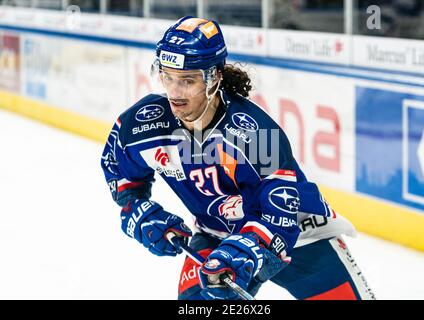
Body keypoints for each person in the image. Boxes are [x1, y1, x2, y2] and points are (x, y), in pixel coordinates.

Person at [100, 16, 375, 300]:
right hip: (216, 236)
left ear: (214, 77)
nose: (174, 92)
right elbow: (120, 174)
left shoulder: (255, 133)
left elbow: (280, 211)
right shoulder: (142, 124)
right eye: (167, 76)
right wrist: (139, 211)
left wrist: (249, 246)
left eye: (187, 80)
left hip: (300, 236)